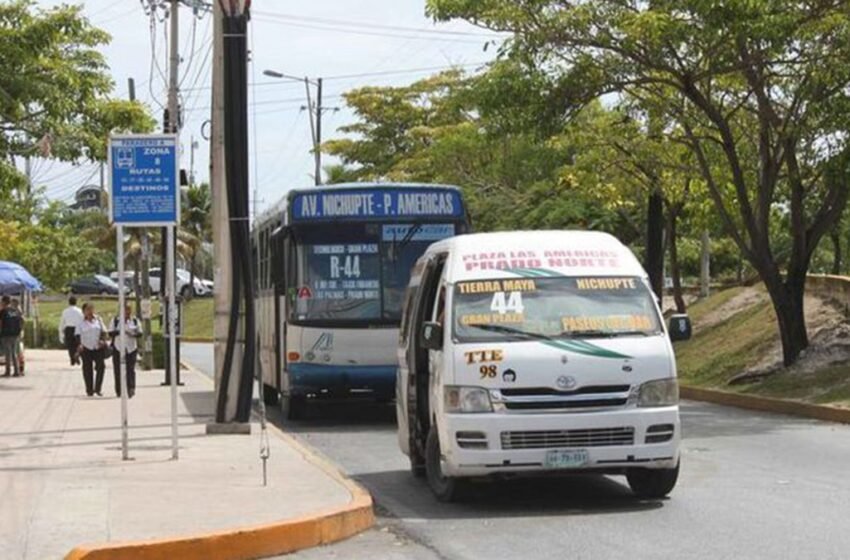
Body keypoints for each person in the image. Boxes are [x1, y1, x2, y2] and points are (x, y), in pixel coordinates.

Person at [75, 303, 108, 396]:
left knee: (101, 367)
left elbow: (104, 331)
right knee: (87, 369)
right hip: (86, 348)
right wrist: (79, 345)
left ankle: (98, 388)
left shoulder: (98, 320)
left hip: (98, 348)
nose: (90, 312)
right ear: (83, 312)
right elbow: (77, 335)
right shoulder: (80, 322)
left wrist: (102, 340)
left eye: (91, 309)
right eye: (87, 310)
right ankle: (89, 389)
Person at [109, 304, 141, 398]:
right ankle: (119, 390)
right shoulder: (115, 321)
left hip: (131, 348)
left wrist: (132, 333)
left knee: (130, 369)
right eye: (125, 310)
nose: (127, 312)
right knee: (118, 370)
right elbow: (110, 332)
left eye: (129, 310)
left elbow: (140, 333)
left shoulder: (134, 320)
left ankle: (131, 388)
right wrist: (120, 331)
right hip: (118, 347)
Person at [0, 295, 23, 377]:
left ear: (3, 302)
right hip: (15, 334)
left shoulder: (3, 311)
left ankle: (7, 371)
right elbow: (21, 320)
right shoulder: (15, 310)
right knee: (14, 352)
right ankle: (16, 371)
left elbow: (1, 322)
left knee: (7, 353)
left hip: (6, 334)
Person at [58, 296, 84, 366]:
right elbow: (82, 320)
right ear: (76, 302)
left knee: (70, 346)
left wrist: (61, 332)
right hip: (77, 329)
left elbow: (62, 322)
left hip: (68, 329)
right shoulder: (79, 311)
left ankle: (72, 359)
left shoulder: (65, 311)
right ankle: (77, 356)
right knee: (77, 344)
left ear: (69, 302)